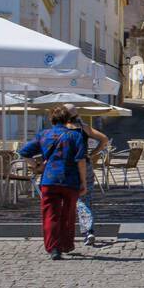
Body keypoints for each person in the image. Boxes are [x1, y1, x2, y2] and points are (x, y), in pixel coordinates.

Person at [19, 106, 88, 260]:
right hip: (70, 179)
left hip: (49, 179)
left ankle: (53, 248)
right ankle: (66, 244)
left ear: (52, 119)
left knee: (50, 214)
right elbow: (81, 161)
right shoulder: (75, 136)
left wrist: (35, 166)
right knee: (68, 214)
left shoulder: (43, 135)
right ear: (67, 119)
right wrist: (84, 181)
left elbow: (24, 152)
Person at [64, 106, 108, 247]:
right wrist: (93, 153)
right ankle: (88, 230)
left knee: (64, 198)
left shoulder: (61, 129)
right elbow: (104, 139)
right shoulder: (84, 128)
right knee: (84, 198)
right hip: (85, 163)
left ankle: (63, 231)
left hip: (66, 166)